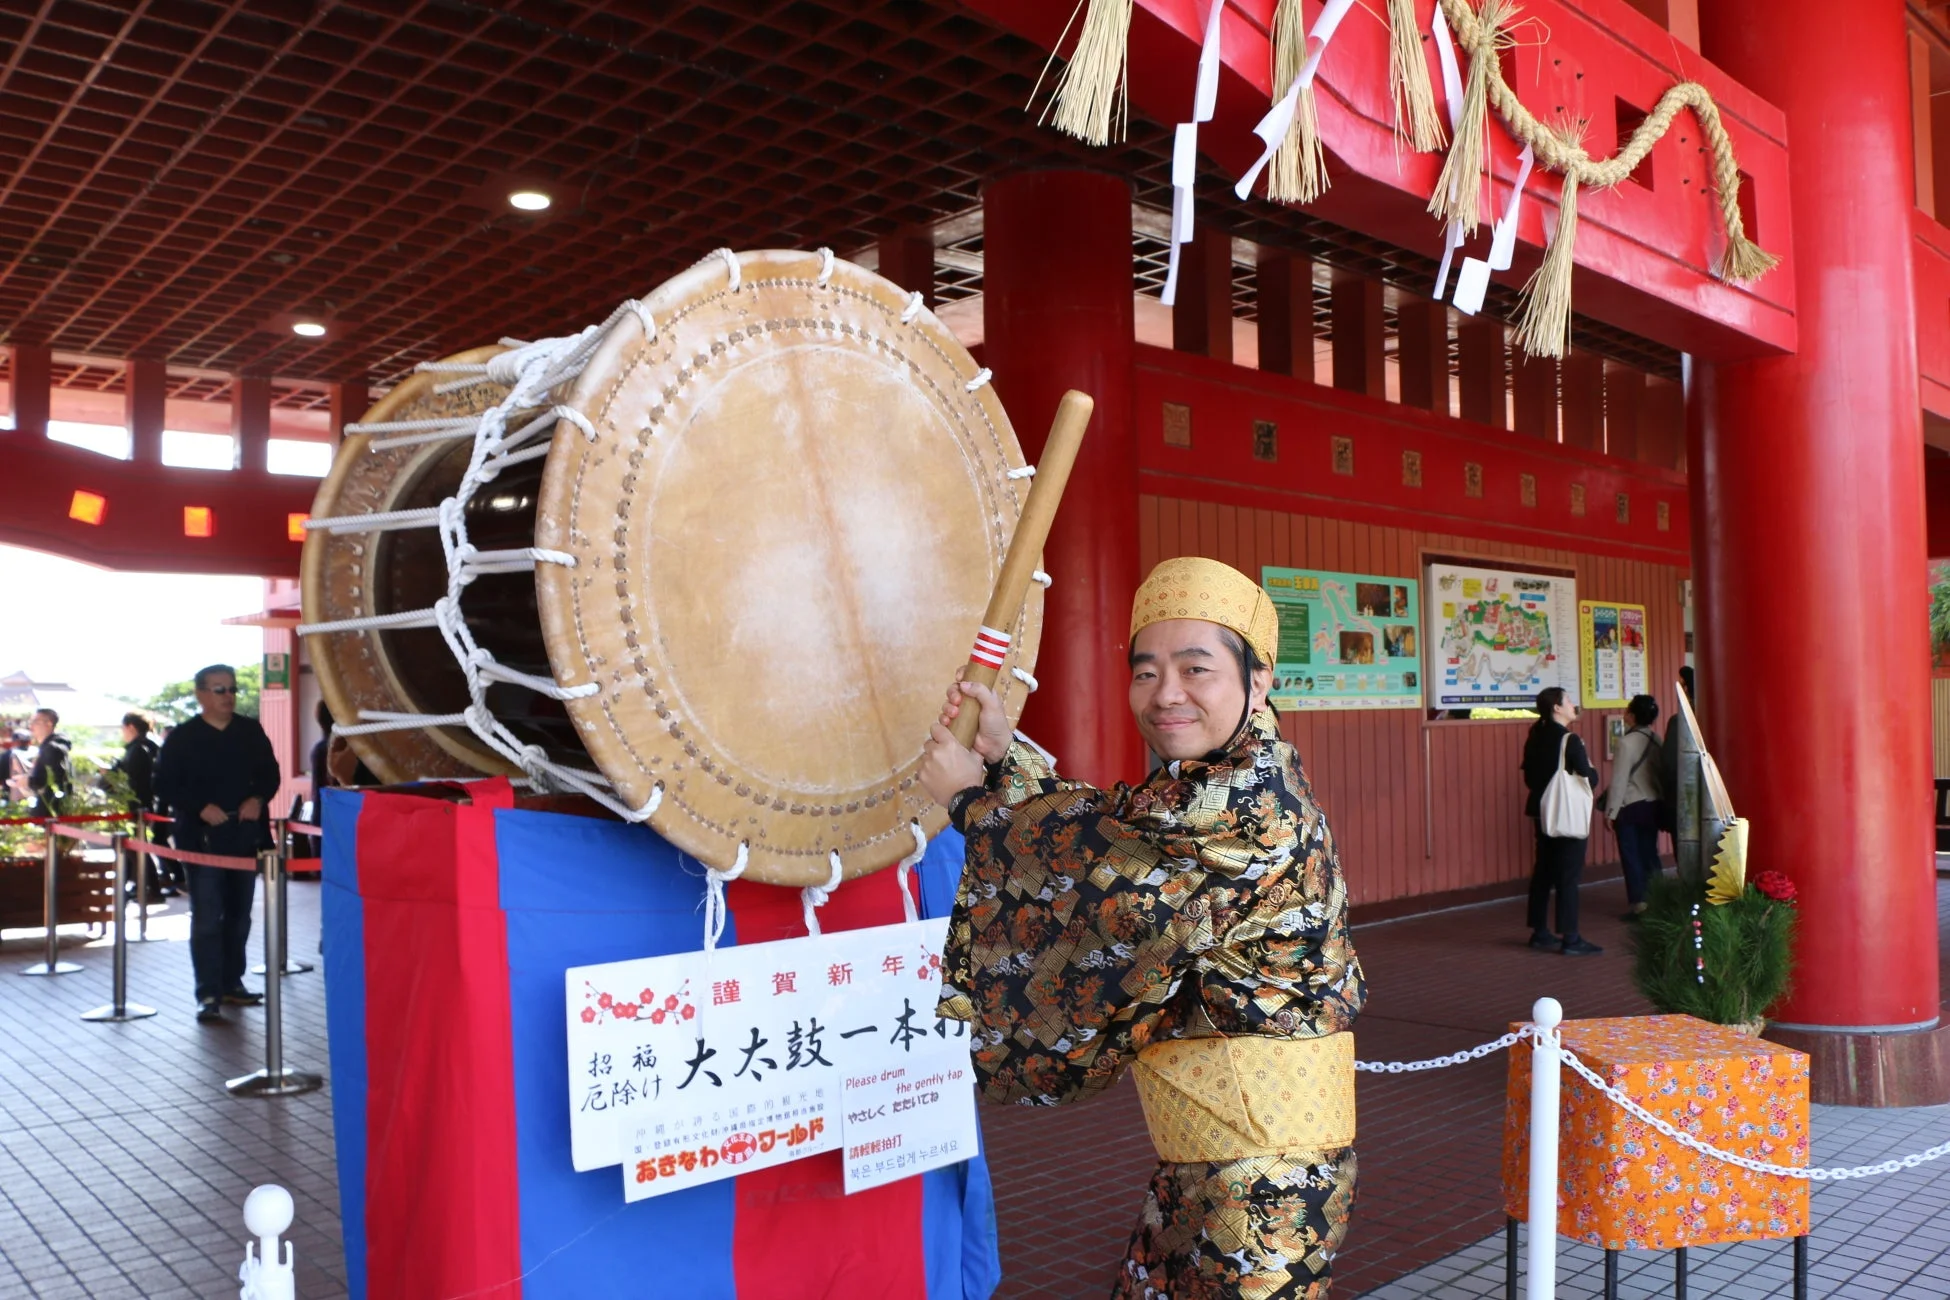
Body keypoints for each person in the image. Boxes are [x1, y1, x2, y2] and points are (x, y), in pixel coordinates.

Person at [920, 557, 1366, 1300]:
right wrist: (1006, 760)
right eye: (1146, 671)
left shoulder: (1249, 801)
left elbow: (1117, 889)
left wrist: (975, 806)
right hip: (1215, 1154)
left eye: (1197, 669)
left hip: (1265, 1176)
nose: (1167, 696)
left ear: (1259, 681)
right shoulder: (1217, 785)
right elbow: (1117, 840)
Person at [156, 664, 281, 1024]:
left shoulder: (250, 731)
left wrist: (258, 798)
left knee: (239, 916)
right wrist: (199, 807)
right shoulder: (182, 737)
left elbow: (270, 775)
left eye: (231, 689)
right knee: (208, 917)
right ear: (200, 695)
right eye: (218, 690)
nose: (227, 696)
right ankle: (208, 992)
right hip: (202, 840)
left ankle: (232, 983)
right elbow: (163, 784)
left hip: (244, 835)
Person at [1521, 686, 1601, 956]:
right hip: (1565, 814)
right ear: (1557, 707)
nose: (1572, 704)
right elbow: (1590, 778)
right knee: (1568, 875)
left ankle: (1540, 932)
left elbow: (1529, 777)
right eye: (1567, 700)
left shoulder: (1535, 735)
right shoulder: (1569, 740)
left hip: (1540, 810)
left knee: (1543, 870)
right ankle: (1571, 937)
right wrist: (1591, 769)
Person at [1605, 694, 1666, 918]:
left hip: (1631, 805)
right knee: (1650, 853)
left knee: (1631, 855)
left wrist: (1611, 812)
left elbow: (1619, 780)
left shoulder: (1625, 743)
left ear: (1631, 715)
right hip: (1654, 804)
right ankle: (1659, 899)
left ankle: (1639, 904)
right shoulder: (1657, 740)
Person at [112, 712, 172, 897]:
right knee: (134, 849)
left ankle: (151, 889)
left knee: (138, 849)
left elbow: (136, 782)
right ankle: (139, 886)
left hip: (137, 806)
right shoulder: (146, 747)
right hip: (140, 805)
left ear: (131, 727)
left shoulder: (139, 750)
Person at [26, 708, 71, 819]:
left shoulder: (52, 748)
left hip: (51, 810)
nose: (31, 726)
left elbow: (55, 781)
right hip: (46, 807)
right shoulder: (47, 747)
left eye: (35, 722)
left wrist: (28, 781)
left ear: (49, 724)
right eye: (31, 722)